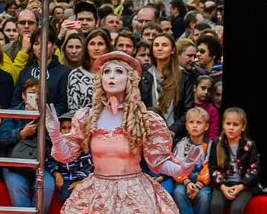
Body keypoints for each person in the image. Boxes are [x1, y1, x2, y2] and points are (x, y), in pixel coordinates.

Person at [46, 51, 200, 214]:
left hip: (133, 193)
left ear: (130, 79)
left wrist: (181, 169)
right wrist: (55, 132)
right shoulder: (87, 117)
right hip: (97, 193)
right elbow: (65, 156)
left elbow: (158, 161)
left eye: (118, 71)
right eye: (107, 71)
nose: (111, 76)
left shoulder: (145, 118)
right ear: (101, 79)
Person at [0, 78, 53, 210]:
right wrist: (21, 133)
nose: (37, 96)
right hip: (14, 163)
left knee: (47, 187)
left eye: (40, 93)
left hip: (40, 163)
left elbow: (56, 141)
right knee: (18, 189)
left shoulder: (50, 114)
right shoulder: (13, 113)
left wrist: (43, 123)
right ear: (24, 96)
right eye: (32, 93)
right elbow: (1, 139)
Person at [206, 108, 259, 214]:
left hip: (243, 186)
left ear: (243, 127)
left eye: (235, 124)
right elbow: (213, 167)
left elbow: (254, 169)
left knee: (237, 208)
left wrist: (241, 186)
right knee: (216, 205)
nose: (231, 127)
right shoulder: (217, 143)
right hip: (222, 184)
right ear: (223, 125)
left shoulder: (250, 145)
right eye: (228, 123)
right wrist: (222, 186)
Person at [165, 107, 211, 214]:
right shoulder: (181, 144)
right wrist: (187, 182)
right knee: (178, 192)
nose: (194, 125)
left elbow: (208, 168)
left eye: (199, 122)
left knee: (204, 196)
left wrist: (198, 185)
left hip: (203, 183)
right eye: (191, 122)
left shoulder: (210, 145)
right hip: (184, 180)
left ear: (206, 126)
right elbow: (176, 166)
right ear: (186, 126)